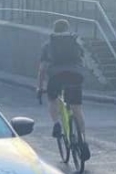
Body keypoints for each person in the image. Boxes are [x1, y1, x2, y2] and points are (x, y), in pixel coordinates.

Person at [37, 19, 89, 154]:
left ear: (54, 29)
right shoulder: (75, 42)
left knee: (53, 99)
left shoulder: (48, 45)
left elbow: (42, 69)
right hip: (75, 75)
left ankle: (56, 124)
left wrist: (39, 86)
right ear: (67, 28)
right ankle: (83, 140)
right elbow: (83, 61)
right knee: (77, 108)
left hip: (56, 75)